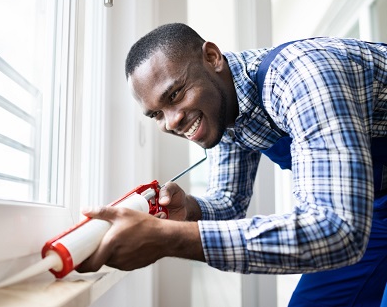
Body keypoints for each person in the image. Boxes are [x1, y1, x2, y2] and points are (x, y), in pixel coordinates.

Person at [77, 23, 387, 306]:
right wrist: (189, 210)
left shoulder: (301, 75)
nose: (172, 121)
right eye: (156, 114)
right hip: (368, 204)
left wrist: (167, 239)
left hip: (347, 216)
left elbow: (337, 229)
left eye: (175, 94)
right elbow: (230, 201)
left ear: (212, 57)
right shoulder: (221, 113)